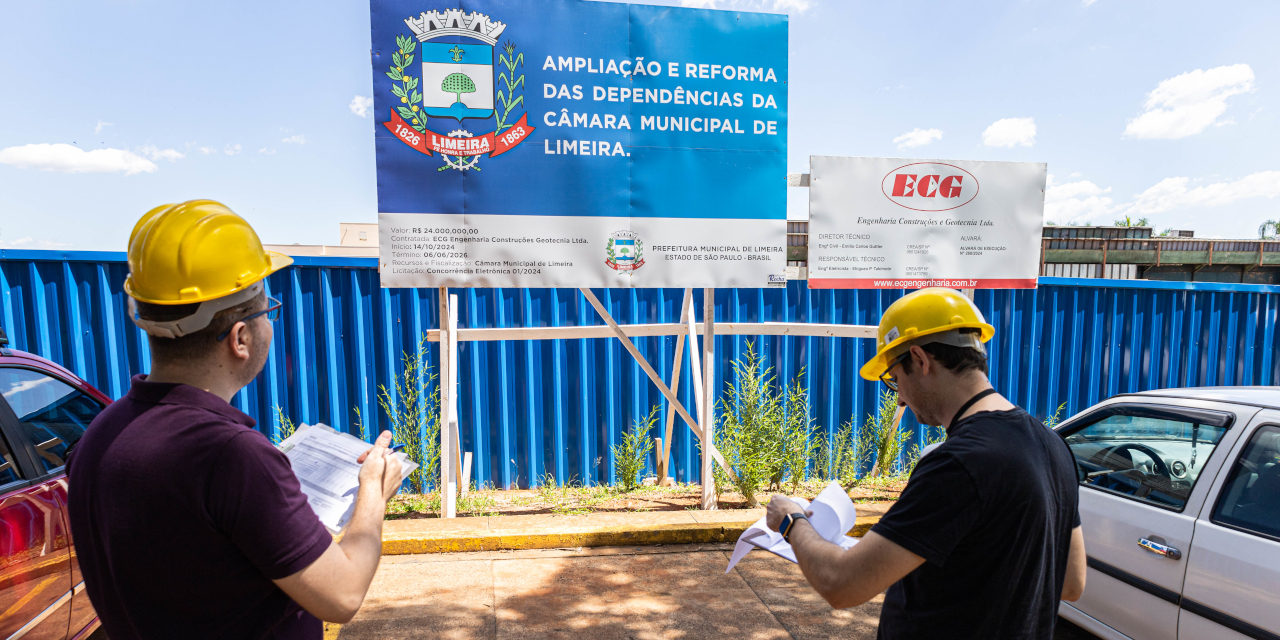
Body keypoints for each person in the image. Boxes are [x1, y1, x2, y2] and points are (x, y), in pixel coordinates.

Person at [67, 200, 402, 639]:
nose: (271, 324)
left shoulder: (103, 432)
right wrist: (373, 495)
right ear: (241, 337)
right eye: (269, 311)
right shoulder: (231, 456)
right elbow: (342, 597)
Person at [766, 288, 1086, 639]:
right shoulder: (1052, 444)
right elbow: (1071, 581)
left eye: (894, 379)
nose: (900, 397)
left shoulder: (959, 464)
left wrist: (791, 521)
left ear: (919, 358)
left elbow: (841, 584)